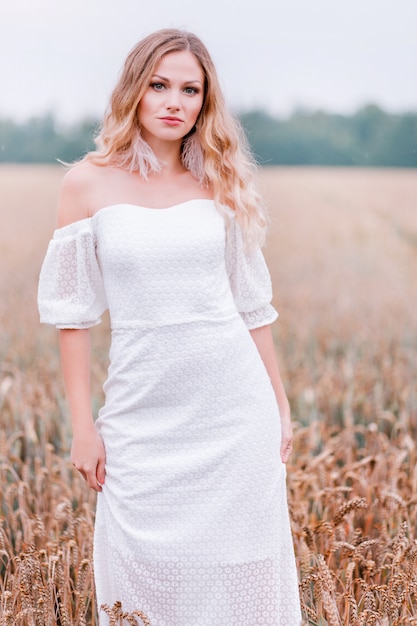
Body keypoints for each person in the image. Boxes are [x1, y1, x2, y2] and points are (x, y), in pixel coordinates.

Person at [38, 28, 301, 625]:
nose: (174, 101)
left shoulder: (219, 182)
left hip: (234, 413)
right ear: (134, 89)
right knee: (138, 578)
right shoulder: (85, 182)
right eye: (159, 85)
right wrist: (84, 427)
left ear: (205, 103)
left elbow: (251, 309)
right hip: (140, 411)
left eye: (190, 89)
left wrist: (280, 406)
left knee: (240, 572)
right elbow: (72, 319)